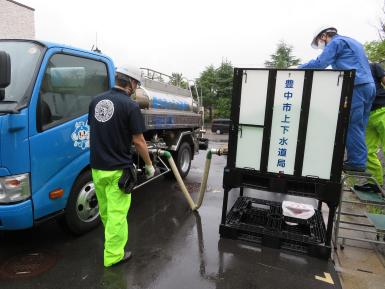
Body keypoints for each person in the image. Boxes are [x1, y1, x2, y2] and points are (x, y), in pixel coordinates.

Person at [88, 65, 155, 267]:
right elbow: (139, 141)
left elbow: (95, 132)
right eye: (136, 84)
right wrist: (150, 165)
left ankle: (111, 245)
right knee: (117, 215)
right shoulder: (130, 106)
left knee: (107, 213)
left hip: (97, 168)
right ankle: (114, 255)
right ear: (132, 83)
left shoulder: (96, 101)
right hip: (118, 170)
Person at [299, 26, 376, 172]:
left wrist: (298, 68)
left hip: (356, 86)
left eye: (319, 42)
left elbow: (320, 63)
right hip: (368, 86)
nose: (321, 45)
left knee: (351, 125)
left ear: (324, 36)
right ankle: (358, 160)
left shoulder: (336, 42)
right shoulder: (354, 42)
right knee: (359, 127)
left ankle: (357, 163)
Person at [354, 63, 385, 192]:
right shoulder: (351, 72)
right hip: (366, 115)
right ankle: (376, 184)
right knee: (366, 151)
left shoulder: (373, 66)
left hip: (382, 110)